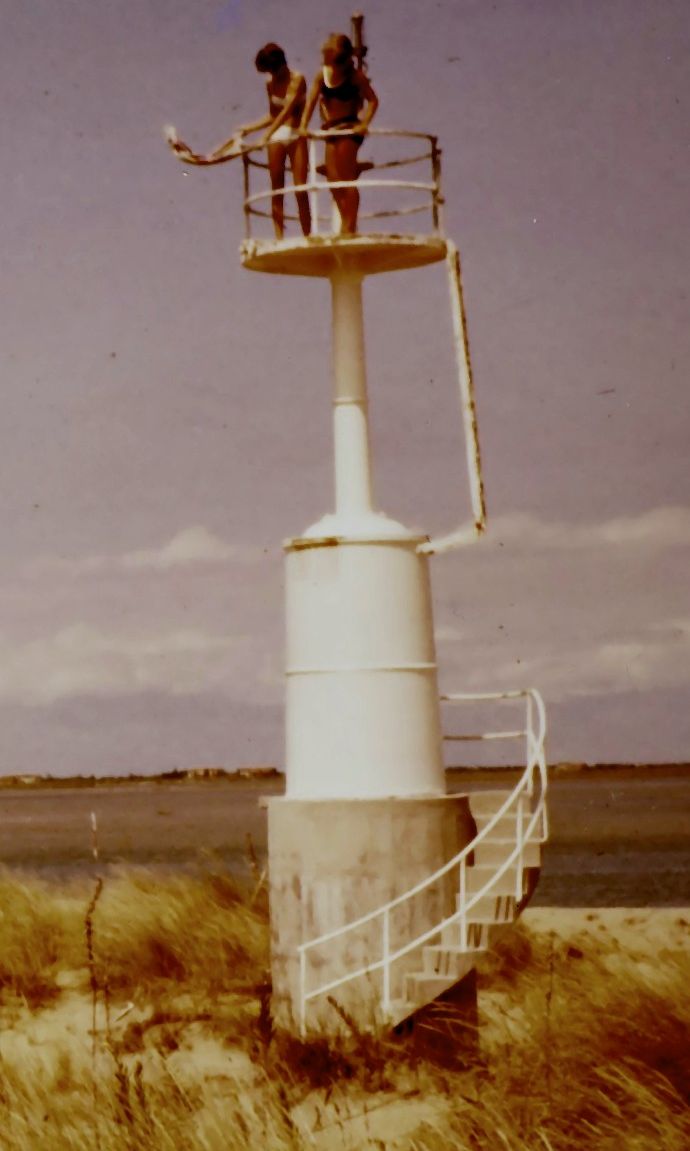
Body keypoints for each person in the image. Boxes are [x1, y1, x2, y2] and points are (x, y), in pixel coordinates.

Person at [210, 43, 311, 239]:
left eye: (273, 70)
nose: (272, 74)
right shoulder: (270, 83)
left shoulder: (298, 80)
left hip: (296, 135)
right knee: (277, 189)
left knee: (300, 188)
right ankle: (279, 236)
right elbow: (273, 116)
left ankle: (307, 235)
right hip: (277, 136)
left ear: (282, 64)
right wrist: (250, 128)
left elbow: (286, 112)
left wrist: (264, 137)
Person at [300, 33, 379, 235]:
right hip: (331, 128)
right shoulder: (322, 76)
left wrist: (365, 123)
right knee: (333, 179)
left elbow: (372, 101)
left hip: (350, 127)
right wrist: (303, 126)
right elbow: (310, 101)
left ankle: (349, 225)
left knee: (346, 177)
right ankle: (345, 220)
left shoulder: (355, 77)